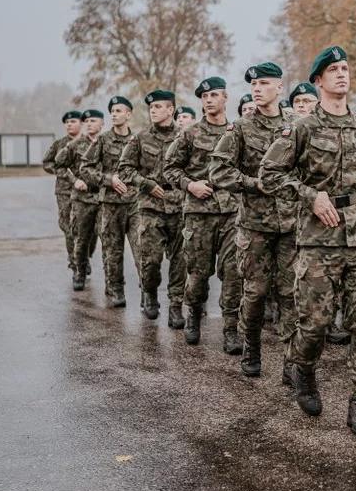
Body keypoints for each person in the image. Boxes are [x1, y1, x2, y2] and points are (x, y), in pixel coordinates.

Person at [261, 45, 356, 436]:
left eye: (345, 68)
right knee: (316, 322)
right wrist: (310, 195)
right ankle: (302, 368)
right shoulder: (301, 127)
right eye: (332, 70)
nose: (342, 74)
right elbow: (270, 174)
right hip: (318, 238)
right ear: (317, 80)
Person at [209, 63, 299, 382]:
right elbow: (218, 171)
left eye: (263, 83)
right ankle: (251, 346)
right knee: (256, 292)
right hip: (255, 226)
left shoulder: (298, 124)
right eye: (253, 85)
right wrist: (252, 183)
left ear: (279, 87)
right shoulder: (241, 128)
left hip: (291, 225)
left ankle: (292, 361)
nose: (257, 89)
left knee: (290, 293)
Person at [164, 76, 242, 349]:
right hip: (199, 214)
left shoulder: (237, 131)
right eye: (205, 97)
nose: (209, 100)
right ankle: (194, 316)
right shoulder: (190, 133)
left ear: (225, 98)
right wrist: (190, 185)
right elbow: (170, 168)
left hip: (232, 213)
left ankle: (231, 329)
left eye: (214, 95)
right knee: (197, 273)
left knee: (233, 273)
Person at [118, 90, 185, 322]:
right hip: (150, 207)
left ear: (171, 110)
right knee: (151, 259)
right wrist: (144, 183)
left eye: (158, 107)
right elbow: (124, 169)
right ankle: (150, 294)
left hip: (179, 206)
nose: (153, 111)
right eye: (151, 107)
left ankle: (176, 306)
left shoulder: (185, 137)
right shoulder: (140, 138)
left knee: (179, 260)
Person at [80, 96, 139, 307]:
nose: (114, 114)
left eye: (118, 110)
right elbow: (85, 168)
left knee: (142, 251)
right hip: (110, 204)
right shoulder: (103, 140)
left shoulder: (137, 140)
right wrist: (108, 179)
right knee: (113, 251)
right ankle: (115, 289)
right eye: (112, 111)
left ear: (128, 114)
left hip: (134, 205)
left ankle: (148, 294)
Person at [57, 109, 104, 291]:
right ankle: (79, 271)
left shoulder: (106, 143)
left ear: (102, 123)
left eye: (94, 120)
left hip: (102, 197)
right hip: (81, 198)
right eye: (87, 121)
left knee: (98, 237)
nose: (90, 124)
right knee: (80, 237)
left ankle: (92, 265)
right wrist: (74, 180)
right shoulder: (75, 144)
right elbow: (58, 165)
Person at [43, 110, 82, 274]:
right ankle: (75, 262)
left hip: (85, 192)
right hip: (64, 191)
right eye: (67, 122)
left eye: (73, 121)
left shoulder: (89, 142)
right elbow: (47, 163)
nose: (69, 125)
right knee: (68, 226)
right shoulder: (59, 144)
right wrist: (62, 172)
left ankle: (82, 258)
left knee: (83, 228)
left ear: (81, 123)